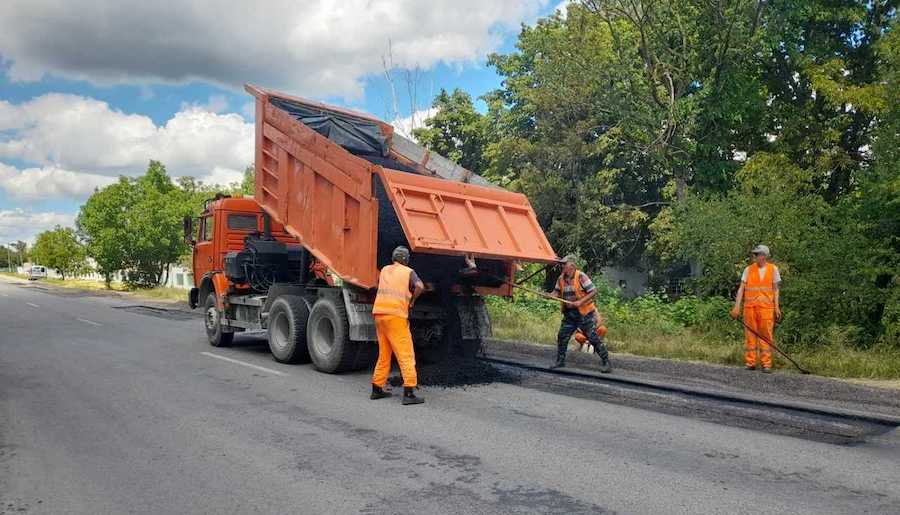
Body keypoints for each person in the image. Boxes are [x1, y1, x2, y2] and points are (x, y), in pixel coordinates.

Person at [370, 246, 426, 405]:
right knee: (405, 354)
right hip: (396, 316)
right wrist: (412, 299)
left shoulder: (385, 270)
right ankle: (409, 393)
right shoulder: (408, 271)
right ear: (406, 259)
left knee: (384, 354)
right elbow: (420, 286)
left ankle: (376, 389)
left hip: (380, 314)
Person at [551, 255, 612, 372]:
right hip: (569, 314)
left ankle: (606, 362)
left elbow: (593, 291)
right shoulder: (561, 279)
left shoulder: (581, 276)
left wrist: (580, 302)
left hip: (584, 313)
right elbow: (556, 292)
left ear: (572, 266)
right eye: (562, 264)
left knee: (593, 338)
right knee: (562, 336)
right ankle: (560, 361)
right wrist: (550, 295)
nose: (562, 266)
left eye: (564, 264)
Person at [730, 244, 782, 373]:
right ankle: (750, 362)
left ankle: (766, 364)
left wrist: (777, 307)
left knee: (766, 336)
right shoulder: (748, 270)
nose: (755, 256)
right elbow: (741, 288)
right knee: (750, 336)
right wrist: (737, 307)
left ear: (764, 256)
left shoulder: (773, 269)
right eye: (755, 254)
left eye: (757, 254)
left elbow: (775, 290)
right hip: (750, 308)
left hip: (766, 309)